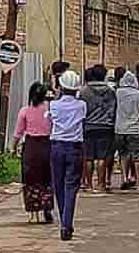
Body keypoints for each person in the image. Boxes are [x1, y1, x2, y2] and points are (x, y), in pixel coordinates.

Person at [49, 70, 87, 241]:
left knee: (59, 186)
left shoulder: (53, 105)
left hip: (57, 147)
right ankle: (66, 223)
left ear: (61, 87)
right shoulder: (81, 105)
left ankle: (64, 222)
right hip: (75, 148)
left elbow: (49, 120)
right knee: (71, 187)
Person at [12, 82, 54, 224]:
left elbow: (18, 133)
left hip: (31, 147)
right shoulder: (50, 110)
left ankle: (33, 211)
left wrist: (13, 148)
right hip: (46, 146)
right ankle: (47, 207)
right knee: (46, 179)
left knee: (30, 180)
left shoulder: (25, 111)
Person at [80, 64, 117, 192]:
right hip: (106, 127)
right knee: (102, 157)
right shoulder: (110, 91)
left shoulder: (83, 91)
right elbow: (113, 109)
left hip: (88, 127)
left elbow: (82, 110)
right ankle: (101, 184)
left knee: (88, 157)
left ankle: (89, 184)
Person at [114, 71, 139, 191]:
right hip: (134, 128)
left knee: (123, 155)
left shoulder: (118, 93)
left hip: (119, 128)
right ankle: (138, 182)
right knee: (137, 155)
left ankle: (124, 178)